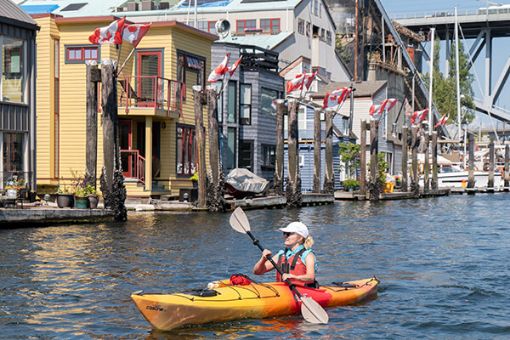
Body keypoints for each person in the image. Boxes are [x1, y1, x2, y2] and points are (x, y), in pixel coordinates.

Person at [253, 221, 318, 287]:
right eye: (284, 233)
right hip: (283, 291)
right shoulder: (281, 255)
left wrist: (293, 277)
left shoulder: (308, 255)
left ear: (300, 238)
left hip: (304, 291)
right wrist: (263, 259)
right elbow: (257, 272)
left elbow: (310, 278)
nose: (285, 236)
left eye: (289, 234)